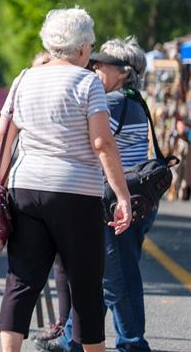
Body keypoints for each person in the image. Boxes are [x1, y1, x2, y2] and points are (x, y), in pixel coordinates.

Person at [0, 8, 132, 352]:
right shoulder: (87, 82)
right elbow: (101, 142)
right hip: (75, 192)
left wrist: (0, 180)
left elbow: (2, 136)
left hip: (24, 188)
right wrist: (122, 195)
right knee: (84, 282)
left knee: (22, 279)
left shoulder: (24, 78)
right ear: (83, 47)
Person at [43, 37, 154, 352]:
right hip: (132, 197)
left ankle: (133, 344)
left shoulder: (115, 102)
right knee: (99, 272)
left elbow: (94, 143)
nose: (94, 67)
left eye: (102, 64)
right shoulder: (136, 99)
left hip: (114, 201)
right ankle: (71, 339)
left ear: (122, 72)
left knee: (116, 277)